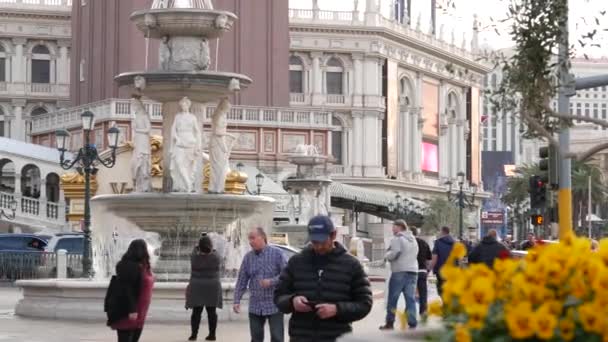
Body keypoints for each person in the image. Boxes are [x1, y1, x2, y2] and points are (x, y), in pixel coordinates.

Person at [275, 215, 373, 341]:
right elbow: (278, 296)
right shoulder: (296, 262)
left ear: (333, 235)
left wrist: (337, 309)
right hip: (301, 337)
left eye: (322, 241)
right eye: (315, 242)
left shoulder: (351, 265)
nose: (319, 247)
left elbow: (364, 304)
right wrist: (292, 301)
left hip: (337, 337)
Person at [233, 227, 287, 342]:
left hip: (274, 304)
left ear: (262, 237)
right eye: (249, 239)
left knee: (277, 337)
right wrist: (237, 300)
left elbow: (286, 275)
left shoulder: (277, 254)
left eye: (253, 238)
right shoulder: (248, 258)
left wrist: (271, 281)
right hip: (255, 306)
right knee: (256, 338)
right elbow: (242, 280)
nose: (250, 241)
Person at [107, 239, 154, 342]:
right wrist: (132, 310)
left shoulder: (142, 265)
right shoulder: (128, 266)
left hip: (140, 311)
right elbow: (127, 289)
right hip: (128, 311)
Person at [379, 220, 419, 331]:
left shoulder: (397, 239)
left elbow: (395, 253)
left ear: (400, 227)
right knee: (410, 299)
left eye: (394, 227)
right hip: (413, 271)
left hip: (399, 271)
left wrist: (387, 255)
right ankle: (412, 322)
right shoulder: (413, 240)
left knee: (393, 298)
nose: (392, 229)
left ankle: (390, 323)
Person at [186, 234, 222, 341]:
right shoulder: (216, 257)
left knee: (196, 312)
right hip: (212, 286)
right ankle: (212, 335)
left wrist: (198, 245)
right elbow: (215, 252)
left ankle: (193, 335)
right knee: (212, 312)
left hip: (197, 286)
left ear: (199, 246)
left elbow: (194, 250)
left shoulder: (194, 257)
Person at [170, 96, 202, 192]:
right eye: (182, 105)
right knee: (179, 164)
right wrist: (176, 138)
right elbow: (173, 129)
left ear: (188, 105)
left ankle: (186, 186)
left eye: (185, 105)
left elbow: (197, 132)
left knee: (189, 166)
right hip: (180, 142)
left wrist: (198, 146)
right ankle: (188, 184)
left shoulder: (192, 117)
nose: (183, 106)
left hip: (190, 142)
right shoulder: (177, 116)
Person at [429, 226, 455, 297]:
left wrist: (429, 269)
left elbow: (434, 258)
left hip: (441, 270)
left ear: (442, 232)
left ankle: (444, 303)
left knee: (441, 289)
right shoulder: (455, 243)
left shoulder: (438, 242)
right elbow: (459, 258)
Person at [412, 227, 432, 316]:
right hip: (422, 271)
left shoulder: (409, 243)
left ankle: (410, 312)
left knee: (409, 293)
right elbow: (429, 260)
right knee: (423, 293)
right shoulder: (424, 243)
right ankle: (423, 311)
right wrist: (427, 271)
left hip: (411, 271)